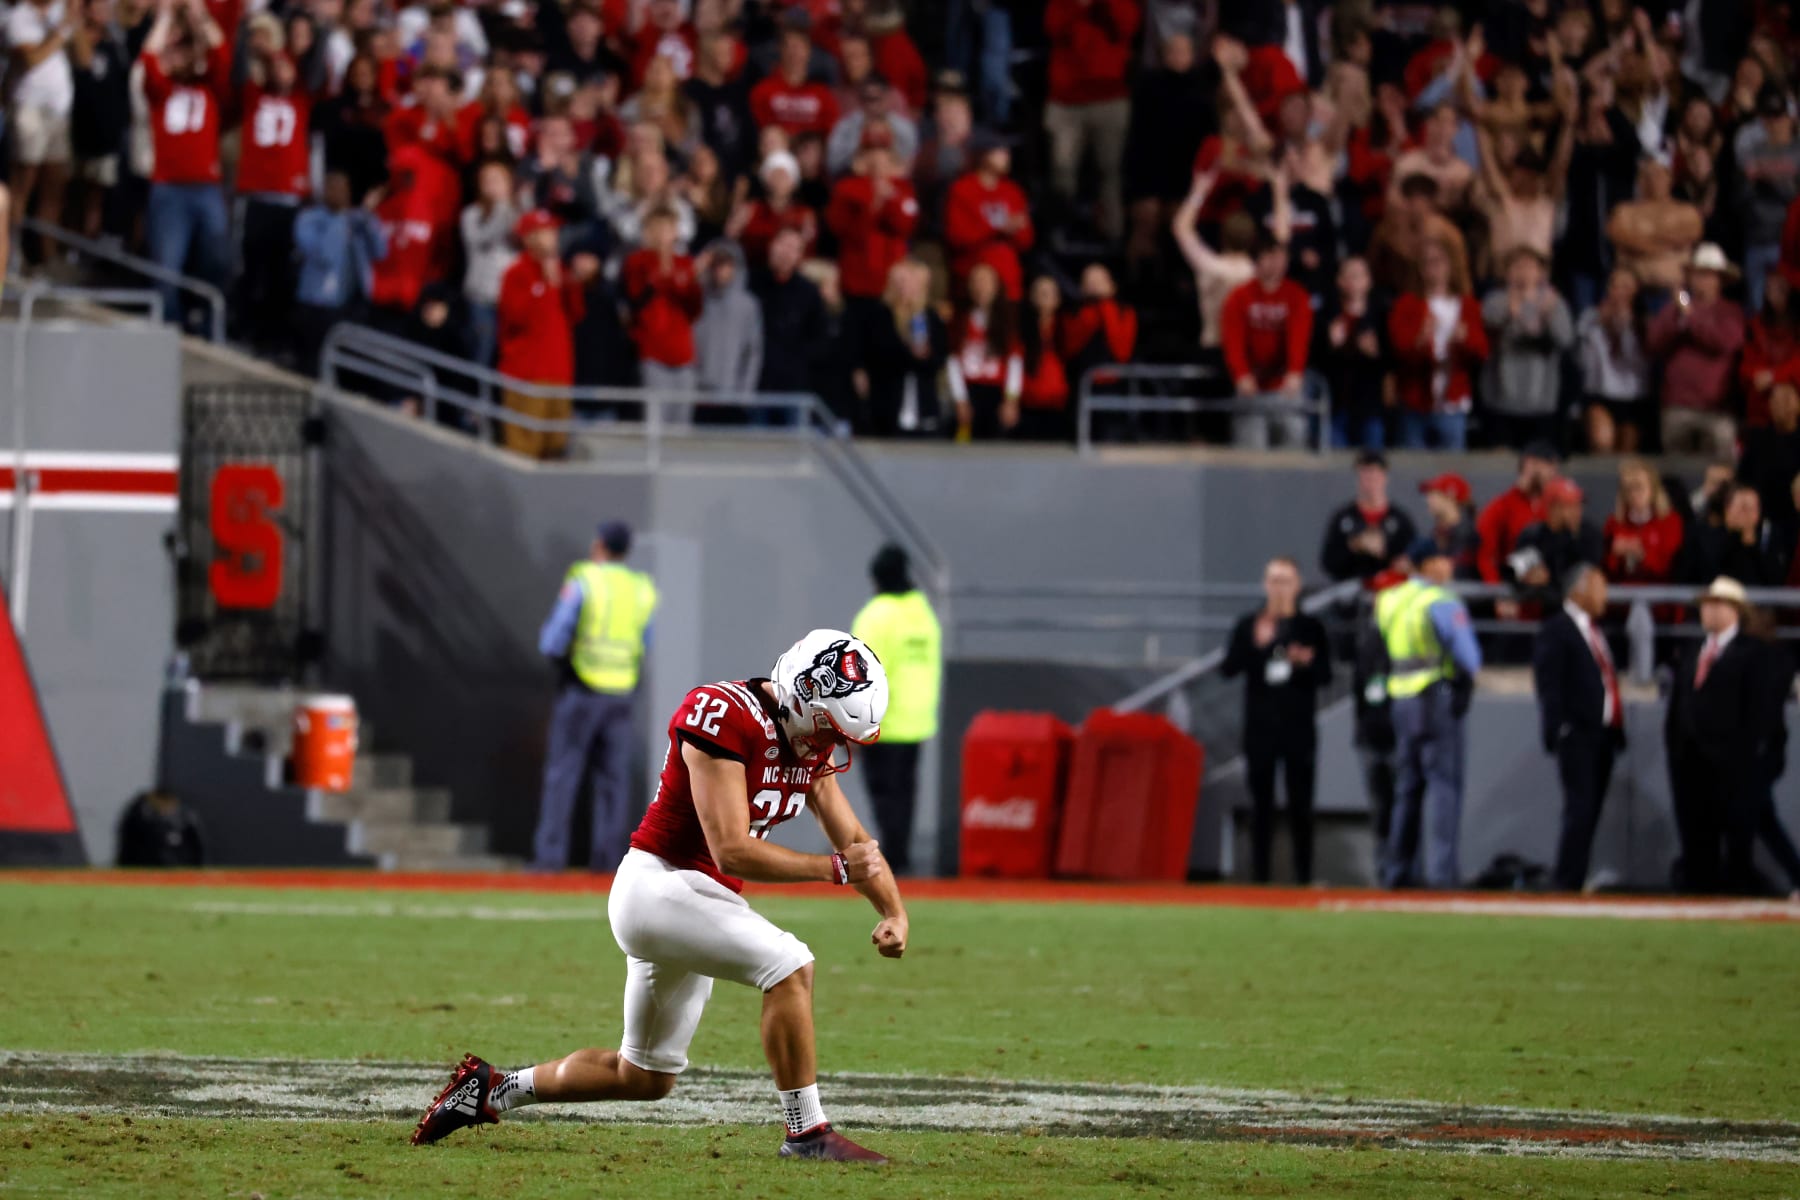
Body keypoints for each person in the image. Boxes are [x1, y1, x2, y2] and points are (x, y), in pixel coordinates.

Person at [413, 629, 904, 1165]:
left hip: (696, 904)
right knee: (790, 966)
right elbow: (731, 850)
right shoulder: (722, 712)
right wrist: (833, 871)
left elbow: (856, 843)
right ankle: (807, 1133)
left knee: (644, 1076)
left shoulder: (804, 745)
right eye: (829, 730)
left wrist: (893, 911)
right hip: (657, 886)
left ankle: (490, 1089)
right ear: (800, 697)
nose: (831, 746)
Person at [529, 521, 658, 873]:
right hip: (621, 693)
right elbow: (646, 643)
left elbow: (553, 639)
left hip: (583, 689)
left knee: (562, 775)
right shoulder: (641, 588)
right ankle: (607, 865)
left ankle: (550, 860)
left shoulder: (586, 580)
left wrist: (561, 658)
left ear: (599, 544)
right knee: (613, 783)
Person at [1377, 540, 1482, 889]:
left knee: (1407, 787)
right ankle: (1441, 875)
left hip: (1400, 697)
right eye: (1444, 559)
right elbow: (1469, 657)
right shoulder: (1441, 601)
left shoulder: (1390, 599)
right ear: (1430, 565)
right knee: (1444, 786)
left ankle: (1398, 871)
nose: (1449, 566)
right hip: (1435, 695)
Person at [1221, 556, 1333, 884]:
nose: (1279, 587)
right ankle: (1260, 879)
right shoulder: (1249, 624)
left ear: (1297, 585)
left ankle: (1303, 877)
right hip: (1260, 729)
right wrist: (1257, 644)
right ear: (1264, 584)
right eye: (1273, 580)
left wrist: (1303, 663)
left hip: (1298, 728)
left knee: (1301, 805)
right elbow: (1229, 669)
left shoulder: (1310, 628)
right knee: (1261, 805)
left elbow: (1326, 674)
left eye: (1285, 580)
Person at [1532, 563, 1626, 893]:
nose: (1606, 595)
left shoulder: (1594, 629)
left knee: (1590, 810)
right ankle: (1566, 881)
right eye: (1600, 587)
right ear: (1580, 589)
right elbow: (1549, 685)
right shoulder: (1557, 629)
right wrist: (1558, 730)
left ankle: (1574, 876)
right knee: (1580, 808)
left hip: (1602, 735)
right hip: (1578, 734)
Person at [850, 545, 942, 875]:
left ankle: (891, 862)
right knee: (904, 794)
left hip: (883, 721)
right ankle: (899, 858)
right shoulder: (923, 613)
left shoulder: (876, 616)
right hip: (916, 721)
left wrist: (853, 724)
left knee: (883, 795)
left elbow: (860, 672)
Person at [1665, 578, 1760, 894]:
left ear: (1735, 610)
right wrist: (1674, 748)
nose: (1708, 609)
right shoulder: (1694, 650)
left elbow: (1757, 713)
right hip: (1689, 764)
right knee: (1695, 841)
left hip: (1730, 766)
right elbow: (1679, 703)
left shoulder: (1751, 653)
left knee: (1734, 843)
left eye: (1716, 603)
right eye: (1706, 603)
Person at [498, 210, 597, 459]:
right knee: (523, 448)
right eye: (546, 232)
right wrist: (544, 287)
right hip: (526, 375)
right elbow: (516, 318)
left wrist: (569, 284)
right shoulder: (517, 273)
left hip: (559, 375)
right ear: (529, 238)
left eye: (554, 231)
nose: (553, 237)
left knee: (556, 446)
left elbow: (577, 314)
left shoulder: (560, 271)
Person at [1041, 0, 1139, 241]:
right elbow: (1052, 27)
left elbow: (1127, 25)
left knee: (1110, 172)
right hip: (1065, 101)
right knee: (1061, 171)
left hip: (1110, 97)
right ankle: (1060, 233)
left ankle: (1112, 235)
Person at [1647, 243, 1747, 456]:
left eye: (1708, 275)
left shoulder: (1730, 311)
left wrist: (1690, 317)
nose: (1702, 280)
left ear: (1720, 280)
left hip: (1717, 411)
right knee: (1677, 475)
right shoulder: (1674, 309)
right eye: (1698, 274)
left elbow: (1726, 342)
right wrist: (1679, 319)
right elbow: (1654, 342)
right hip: (1677, 407)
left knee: (1721, 473)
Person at [1388, 236, 1487, 451]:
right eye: (1427, 262)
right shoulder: (1407, 305)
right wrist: (1420, 341)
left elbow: (1481, 352)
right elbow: (1398, 350)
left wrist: (1464, 341)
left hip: (1453, 404)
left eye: (1439, 261)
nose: (1434, 268)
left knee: (1450, 476)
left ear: (1451, 266)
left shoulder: (1467, 305)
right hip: (1415, 402)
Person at [1220, 227, 1315, 449]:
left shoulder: (1297, 296)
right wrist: (1241, 374)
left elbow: (1298, 337)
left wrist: (1294, 371)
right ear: (1257, 260)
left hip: (1284, 385)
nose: (1276, 262)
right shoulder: (1239, 297)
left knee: (1294, 438)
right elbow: (1233, 340)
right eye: (1269, 256)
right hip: (1251, 386)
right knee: (1251, 447)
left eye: (1281, 256)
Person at [1480, 247, 1575, 452]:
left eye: (1530, 266)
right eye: (1517, 266)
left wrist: (1548, 318)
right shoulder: (1496, 300)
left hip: (1541, 402)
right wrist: (1510, 312)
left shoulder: (1554, 303)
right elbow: (1488, 323)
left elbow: (1565, 340)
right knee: (1500, 464)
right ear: (1506, 272)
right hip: (1502, 400)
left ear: (1541, 273)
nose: (1523, 272)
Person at [1744, 606, 1800, 899]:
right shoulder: (1774, 658)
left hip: (1762, 751)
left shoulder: (1774, 658)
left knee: (1760, 820)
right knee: (1759, 820)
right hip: (1764, 750)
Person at [1576, 267, 1651, 454]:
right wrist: (1598, 324)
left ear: (1636, 290)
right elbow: (1579, 357)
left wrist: (1625, 328)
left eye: (1625, 286)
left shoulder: (1644, 324)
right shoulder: (1590, 317)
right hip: (1600, 393)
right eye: (1615, 286)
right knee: (1602, 444)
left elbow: (1637, 362)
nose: (1619, 292)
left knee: (1626, 453)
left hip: (1633, 397)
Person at [1320, 450, 1417, 585]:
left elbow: (1413, 562)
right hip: (1351, 593)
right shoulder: (1343, 518)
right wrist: (1355, 545)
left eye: (1374, 474)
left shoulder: (1400, 520)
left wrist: (1385, 550)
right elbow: (1328, 563)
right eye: (1364, 474)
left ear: (1384, 477)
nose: (1369, 481)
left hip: (1391, 591)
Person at [692, 240, 764, 416]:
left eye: (727, 264)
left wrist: (745, 394)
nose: (721, 270)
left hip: (733, 397)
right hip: (698, 395)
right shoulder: (696, 298)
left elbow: (753, 352)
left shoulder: (748, 305)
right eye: (716, 264)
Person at [1509, 479, 1604, 608]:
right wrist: (1528, 576)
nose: (1576, 510)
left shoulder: (1589, 534)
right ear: (1552, 508)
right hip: (1539, 613)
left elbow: (1587, 569)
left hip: (1578, 611)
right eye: (1569, 505)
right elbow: (1517, 575)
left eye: (1578, 504)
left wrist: (1572, 535)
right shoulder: (1532, 536)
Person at [1603, 458, 1685, 587]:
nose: (1634, 494)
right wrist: (1616, 555)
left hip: (1661, 598)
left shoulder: (1670, 522)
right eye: (1628, 489)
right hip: (1622, 599)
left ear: (1653, 488)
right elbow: (1607, 570)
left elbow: (1672, 566)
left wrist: (1642, 553)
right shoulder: (1614, 523)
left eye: (1639, 487)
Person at [114, 789, 205, 867]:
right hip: (143, 869)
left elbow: (197, 848)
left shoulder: (185, 818)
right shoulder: (139, 816)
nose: (164, 810)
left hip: (177, 870)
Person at [1416, 473, 1481, 581]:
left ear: (1450, 495)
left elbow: (1449, 571)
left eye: (1433, 494)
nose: (1428, 500)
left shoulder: (1469, 533)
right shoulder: (1437, 534)